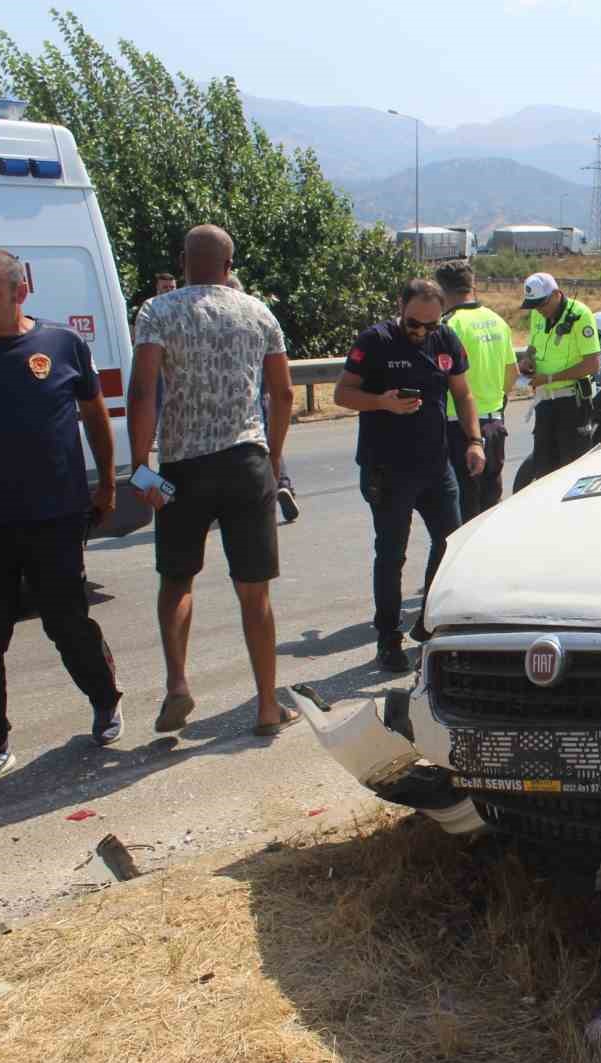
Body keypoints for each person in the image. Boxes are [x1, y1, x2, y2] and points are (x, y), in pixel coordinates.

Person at [0, 249, 124, 792]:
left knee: (66, 624)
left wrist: (105, 483)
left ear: (19, 293)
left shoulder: (60, 345)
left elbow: (95, 417)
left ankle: (105, 700)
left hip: (54, 517)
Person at [128, 224, 301, 736]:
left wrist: (141, 467)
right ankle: (268, 707)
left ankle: (178, 684)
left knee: (177, 579)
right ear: (230, 265)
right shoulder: (258, 313)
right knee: (255, 592)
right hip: (247, 462)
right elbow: (285, 394)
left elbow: (143, 393)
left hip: (183, 466)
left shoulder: (158, 312)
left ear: (183, 261)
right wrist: (273, 461)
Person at [334, 278, 484, 671]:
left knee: (451, 547)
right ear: (400, 307)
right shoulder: (375, 341)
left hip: (436, 466)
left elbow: (463, 393)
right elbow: (342, 393)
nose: (422, 332)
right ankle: (388, 638)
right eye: (414, 323)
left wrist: (474, 441)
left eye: (431, 325)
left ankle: (428, 623)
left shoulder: (446, 341)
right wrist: (380, 403)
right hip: (388, 469)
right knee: (391, 555)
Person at [437, 259, 517, 521]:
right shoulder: (497, 321)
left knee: (463, 513)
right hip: (495, 424)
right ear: (473, 285)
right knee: (489, 507)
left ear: (442, 290)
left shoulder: (450, 325)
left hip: (458, 425)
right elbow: (512, 374)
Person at [225, 272, 300, 522]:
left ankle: (250, 499)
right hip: (261, 397)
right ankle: (282, 485)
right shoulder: (260, 318)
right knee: (271, 445)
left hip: (235, 406)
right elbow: (283, 389)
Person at [518, 271, 601, 481]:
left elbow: (592, 364)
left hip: (571, 403)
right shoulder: (538, 313)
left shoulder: (580, 315)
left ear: (556, 294)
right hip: (545, 402)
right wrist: (528, 360)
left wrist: (549, 379)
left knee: (570, 467)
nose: (539, 310)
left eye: (542, 304)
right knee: (543, 468)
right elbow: (533, 346)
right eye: (534, 305)